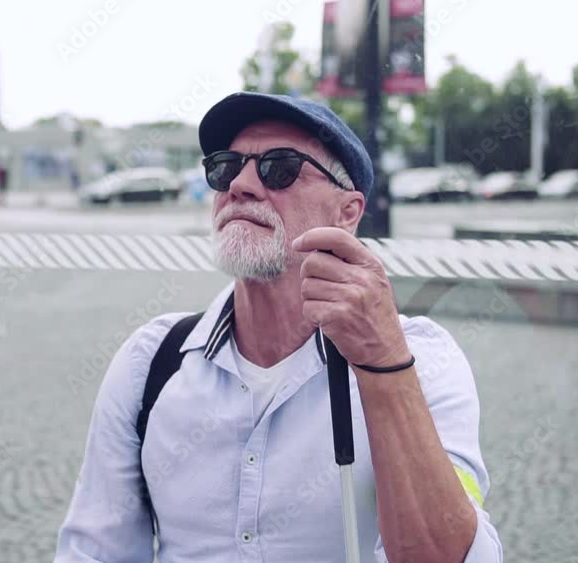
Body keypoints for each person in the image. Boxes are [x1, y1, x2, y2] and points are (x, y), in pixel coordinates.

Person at [54, 92, 502, 562]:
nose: (241, 185)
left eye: (280, 167)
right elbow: (95, 552)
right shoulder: (151, 362)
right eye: (225, 167)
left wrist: (382, 364)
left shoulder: (422, 360)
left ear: (347, 212)